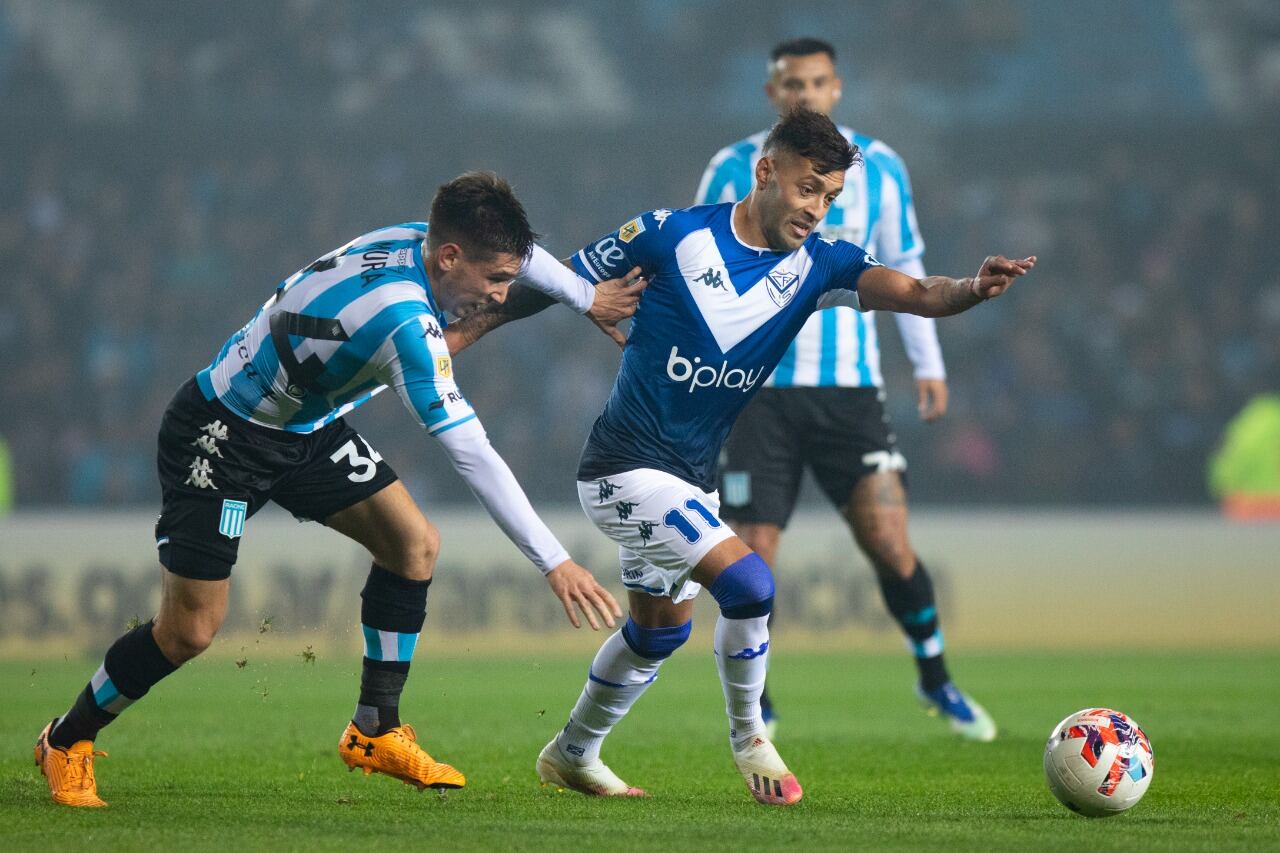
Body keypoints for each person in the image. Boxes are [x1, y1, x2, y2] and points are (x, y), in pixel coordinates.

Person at [448, 109, 1034, 805]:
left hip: (691, 480)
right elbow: (557, 282)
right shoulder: (669, 234)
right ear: (766, 172)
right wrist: (462, 334)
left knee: (658, 632)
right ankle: (751, 735)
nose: (816, 209)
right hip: (622, 468)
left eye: (830, 197)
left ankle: (570, 752)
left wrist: (972, 287)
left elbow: (915, 292)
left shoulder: (823, 265)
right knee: (752, 584)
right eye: (808, 187)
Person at [33, 171, 645, 808]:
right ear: (450, 258)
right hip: (222, 434)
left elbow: (527, 262)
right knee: (189, 632)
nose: (500, 292)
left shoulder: (418, 240)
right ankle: (66, 740)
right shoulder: (403, 321)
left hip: (304, 429)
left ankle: (375, 727)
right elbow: (473, 454)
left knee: (414, 545)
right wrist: (555, 561)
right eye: (494, 280)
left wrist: (583, 296)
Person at [696, 37, 993, 741]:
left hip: (850, 390)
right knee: (753, 553)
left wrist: (929, 364)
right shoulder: (733, 167)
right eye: (791, 83)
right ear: (771, 94)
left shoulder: (881, 167)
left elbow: (908, 264)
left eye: (818, 81)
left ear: (837, 88)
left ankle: (937, 677)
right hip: (756, 390)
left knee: (889, 541)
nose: (805, 94)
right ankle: (756, 703)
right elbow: (699, 256)